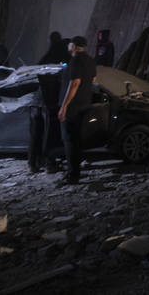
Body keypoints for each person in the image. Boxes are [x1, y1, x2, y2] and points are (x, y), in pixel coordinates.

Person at [57, 36, 96, 186]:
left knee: (69, 141)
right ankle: (75, 172)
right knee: (77, 141)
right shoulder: (90, 60)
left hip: (73, 107)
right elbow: (93, 80)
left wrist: (64, 106)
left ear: (74, 46)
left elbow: (74, 83)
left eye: (70, 43)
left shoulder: (76, 60)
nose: (68, 45)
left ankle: (72, 176)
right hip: (85, 104)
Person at [28, 69, 63, 174]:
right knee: (48, 137)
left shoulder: (40, 75)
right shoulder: (58, 76)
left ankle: (32, 165)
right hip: (48, 107)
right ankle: (49, 164)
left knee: (35, 137)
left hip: (35, 106)